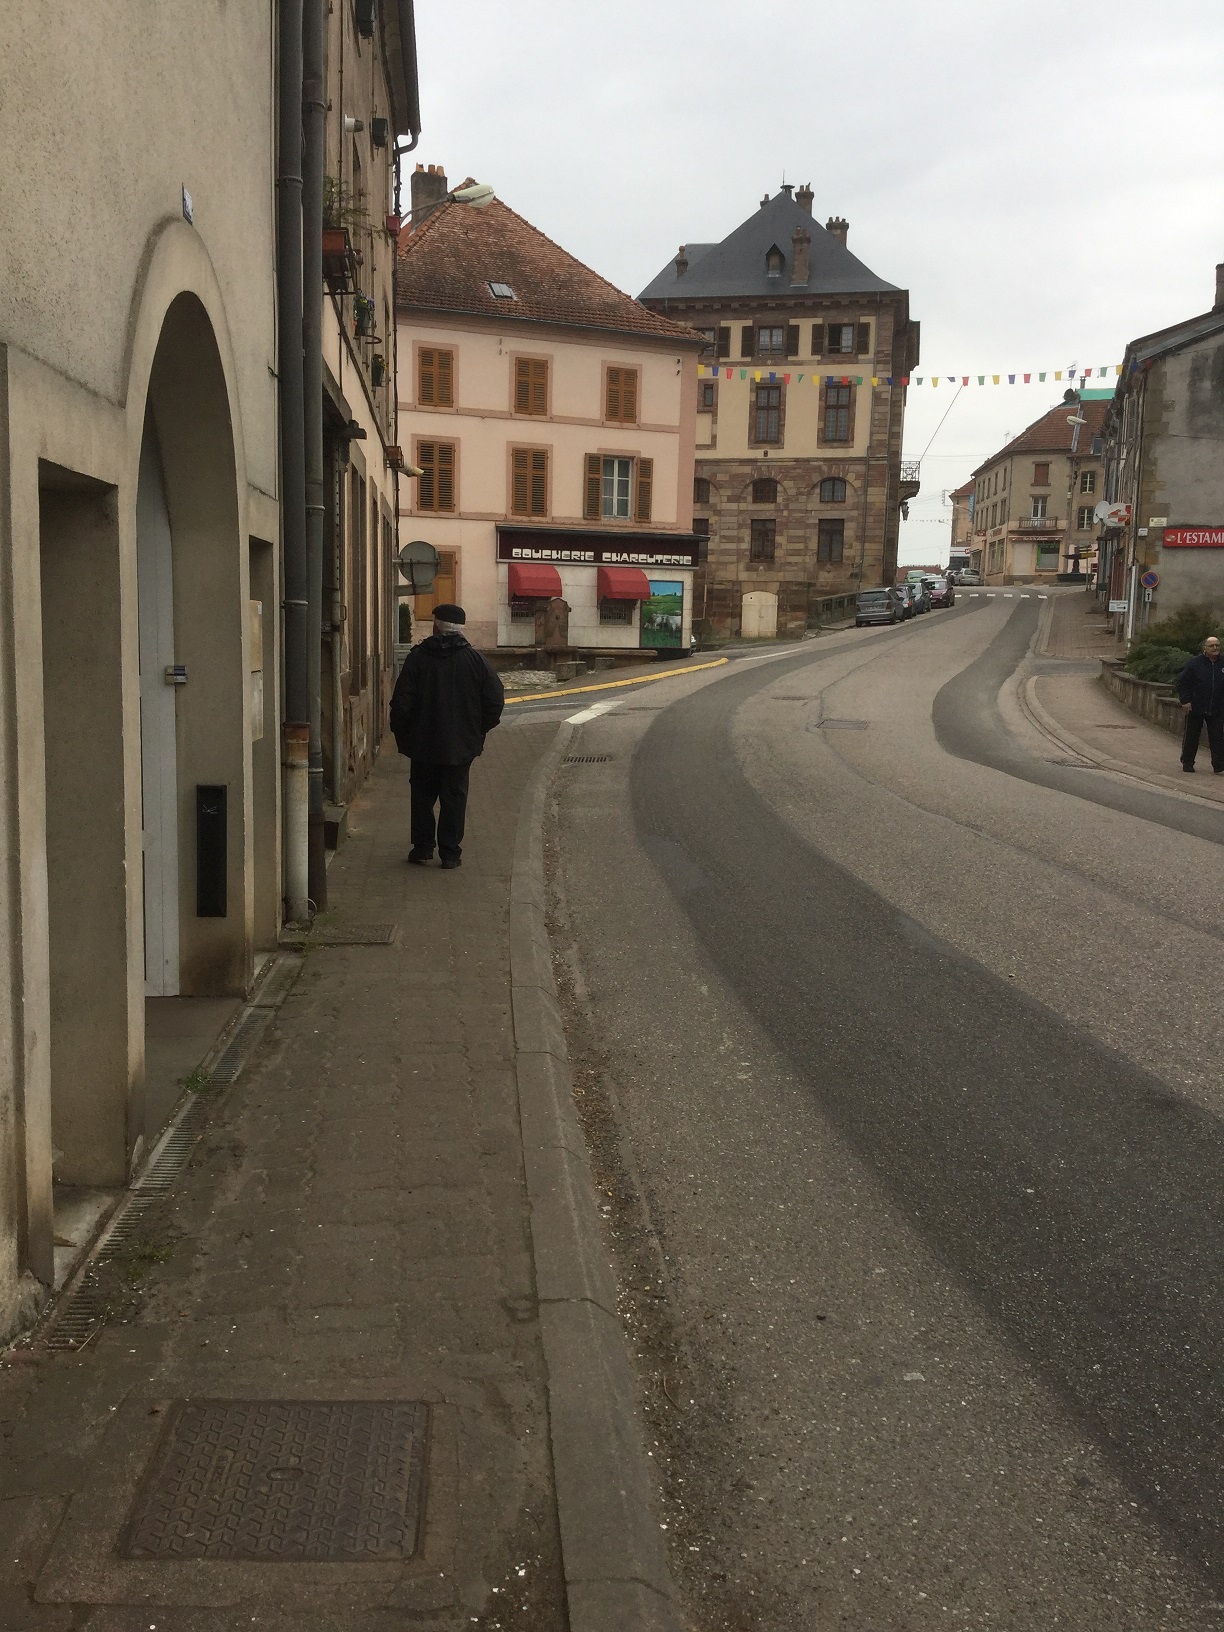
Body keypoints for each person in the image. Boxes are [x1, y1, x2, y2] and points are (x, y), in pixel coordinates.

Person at [389, 603, 505, 867]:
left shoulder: (418, 658)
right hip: (460, 746)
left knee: (422, 796)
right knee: (454, 798)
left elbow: (401, 703)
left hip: (423, 744)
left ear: (436, 626)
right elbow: (495, 701)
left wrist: (404, 735)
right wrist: (477, 731)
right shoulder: (476, 662)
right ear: (460, 629)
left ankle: (422, 848)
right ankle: (450, 854)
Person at [1176, 634, 1224, 773]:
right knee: (1191, 736)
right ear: (1205, 648)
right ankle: (1188, 762)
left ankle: (1219, 765)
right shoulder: (1195, 663)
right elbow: (1183, 683)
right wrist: (1185, 701)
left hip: (1217, 707)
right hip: (1196, 706)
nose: (1215, 648)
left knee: (1218, 737)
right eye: (1211, 646)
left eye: (1217, 645)